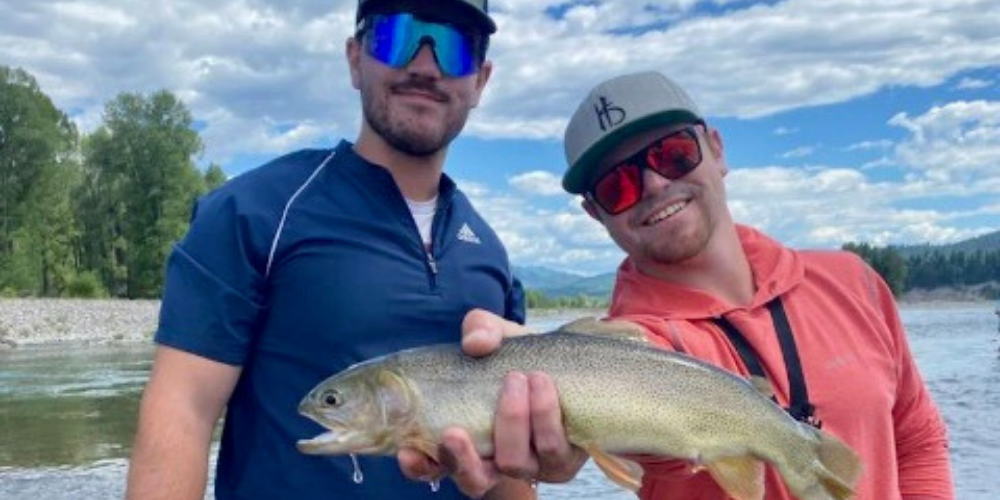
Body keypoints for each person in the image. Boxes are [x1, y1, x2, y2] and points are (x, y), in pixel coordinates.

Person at [440, 70, 956, 499]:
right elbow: (639, 452)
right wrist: (516, 377)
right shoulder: (627, 346)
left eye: (672, 155)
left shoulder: (852, 280)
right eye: (618, 185)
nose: (655, 185)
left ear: (716, 148)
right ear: (596, 214)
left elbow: (917, 438)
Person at [123, 1, 535, 499]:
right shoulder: (254, 213)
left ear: (481, 80)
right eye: (397, 35)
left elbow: (510, 472)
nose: (425, 65)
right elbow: (183, 409)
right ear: (355, 57)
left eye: (453, 47)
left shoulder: (490, 252)